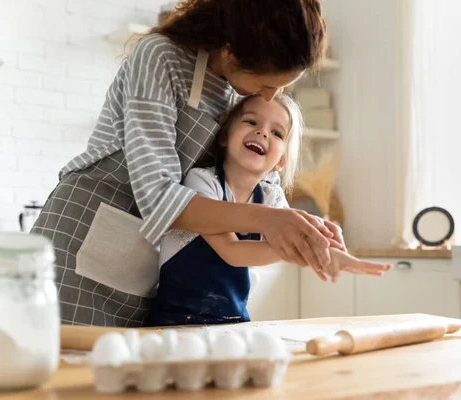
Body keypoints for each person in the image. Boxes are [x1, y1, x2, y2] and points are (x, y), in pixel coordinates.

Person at [31, 0, 345, 327]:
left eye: (281, 87)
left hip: (147, 264)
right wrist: (268, 221)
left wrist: (308, 231)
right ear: (231, 51)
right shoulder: (160, 57)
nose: (269, 97)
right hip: (84, 241)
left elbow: (262, 185)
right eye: (266, 85)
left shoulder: (238, 91)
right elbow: (157, 197)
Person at [147, 94, 392, 326]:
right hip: (175, 321)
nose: (262, 131)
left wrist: (325, 252)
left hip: (233, 320)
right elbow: (232, 251)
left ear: (281, 161)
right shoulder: (202, 181)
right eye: (250, 121)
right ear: (224, 136)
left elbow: (297, 237)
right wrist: (298, 252)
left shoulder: (271, 197)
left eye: (277, 133)